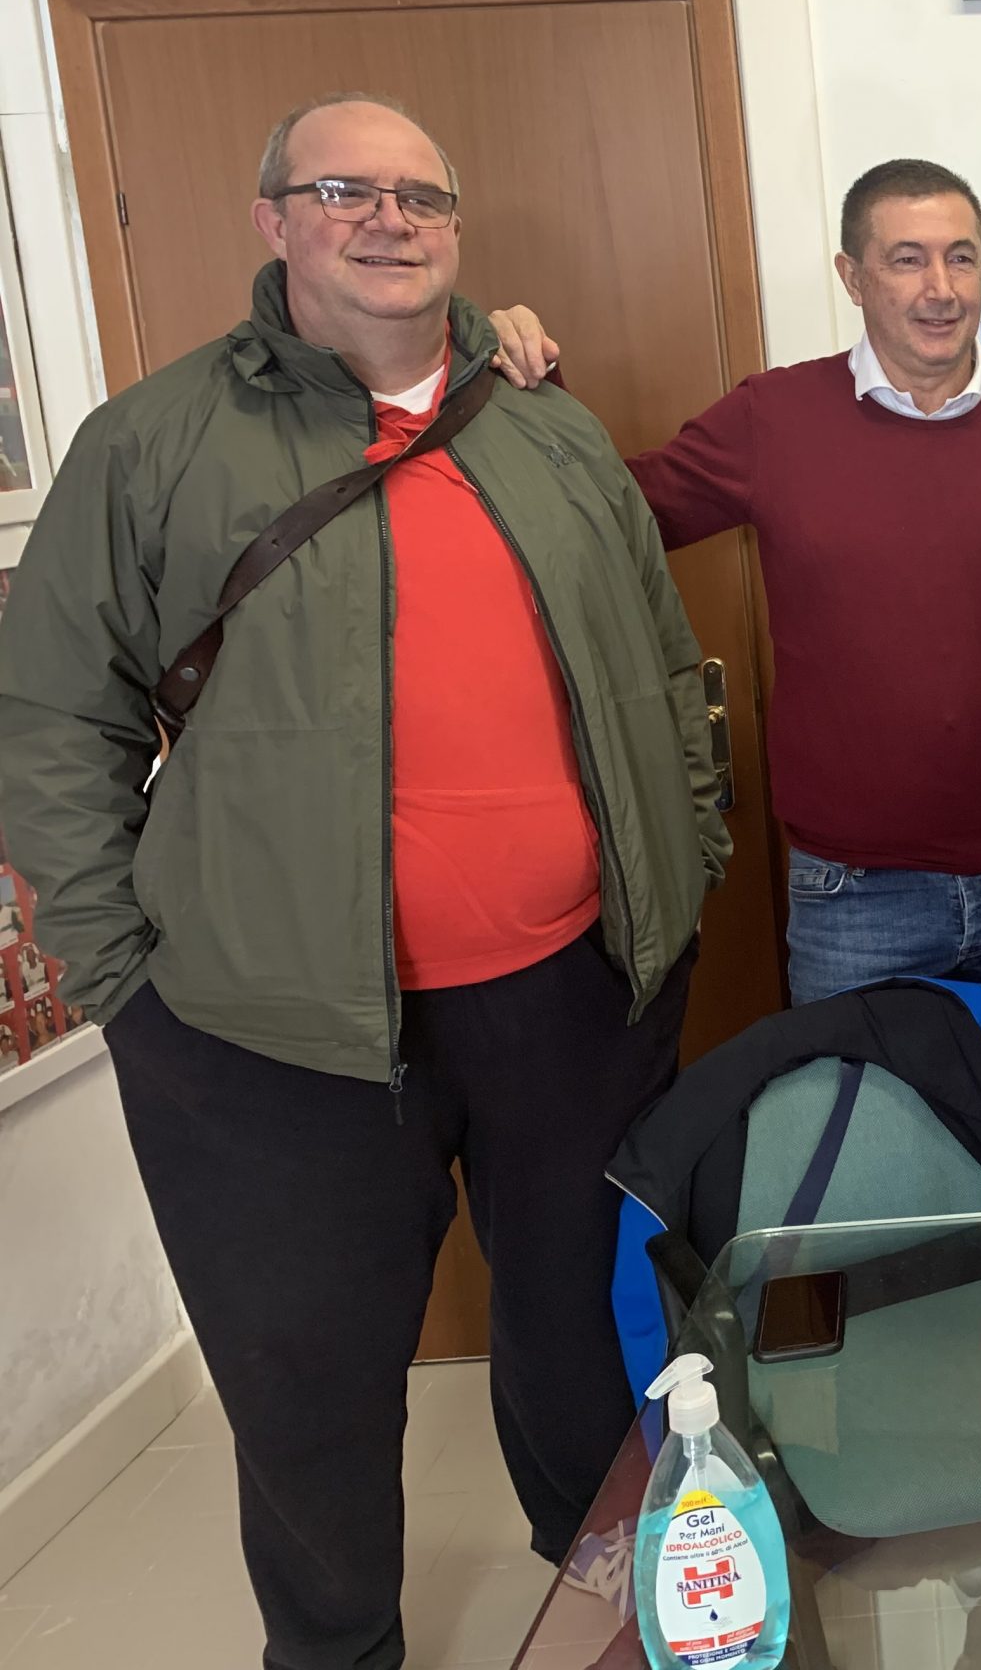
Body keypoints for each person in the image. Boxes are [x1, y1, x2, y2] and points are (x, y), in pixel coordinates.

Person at [0, 94, 725, 1670]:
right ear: (274, 223)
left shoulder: (546, 428)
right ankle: (336, 1653)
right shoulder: (153, 443)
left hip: (574, 998)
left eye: (420, 195)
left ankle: (613, 1604)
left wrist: (684, 870)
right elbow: (51, 719)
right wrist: (121, 977)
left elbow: (662, 672)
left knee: (590, 1339)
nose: (389, 219)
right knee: (308, 1389)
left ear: (455, 227)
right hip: (270, 1038)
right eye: (344, 190)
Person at [494, 160, 981, 1024]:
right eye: (907, 259)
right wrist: (528, 394)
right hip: (859, 895)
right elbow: (615, 515)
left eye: (960, 258)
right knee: (852, 1115)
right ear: (852, 276)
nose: (940, 288)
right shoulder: (772, 416)